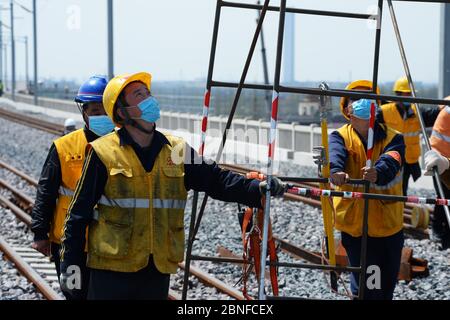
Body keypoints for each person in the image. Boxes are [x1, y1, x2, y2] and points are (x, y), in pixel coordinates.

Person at [58, 72, 286, 300]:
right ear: (122, 111)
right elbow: (77, 215)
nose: (149, 99)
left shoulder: (176, 150)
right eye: (139, 95)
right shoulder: (103, 153)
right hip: (111, 273)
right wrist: (71, 271)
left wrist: (256, 188)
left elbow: (216, 180)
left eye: (148, 93)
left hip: (156, 271)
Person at [30, 75, 115, 300]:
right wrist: (40, 233)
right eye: (95, 111)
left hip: (111, 246)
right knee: (74, 294)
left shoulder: (123, 145)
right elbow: (46, 192)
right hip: (69, 248)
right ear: (84, 112)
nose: (101, 116)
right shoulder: (63, 147)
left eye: (105, 110)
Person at [330, 94, 406, 300]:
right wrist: (336, 170)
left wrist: (378, 172)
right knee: (369, 288)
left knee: (386, 286)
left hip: (388, 225)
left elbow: (393, 159)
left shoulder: (394, 138)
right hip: (356, 227)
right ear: (349, 115)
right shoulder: (340, 136)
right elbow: (335, 156)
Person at [378, 77, 442, 195]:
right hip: (389, 160)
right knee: (387, 191)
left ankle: (400, 211)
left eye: (410, 94)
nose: (408, 97)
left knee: (402, 192)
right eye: (405, 94)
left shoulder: (416, 111)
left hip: (408, 162)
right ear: (397, 94)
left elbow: (434, 114)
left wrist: (446, 103)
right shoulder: (383, 112)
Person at [424, 96, 450, 250]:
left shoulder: (446, 102)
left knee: (444, 198)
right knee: (444, 198)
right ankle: (441, 233)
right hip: (440, 159)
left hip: (441, 157)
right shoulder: (447, 107)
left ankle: (440, 231)